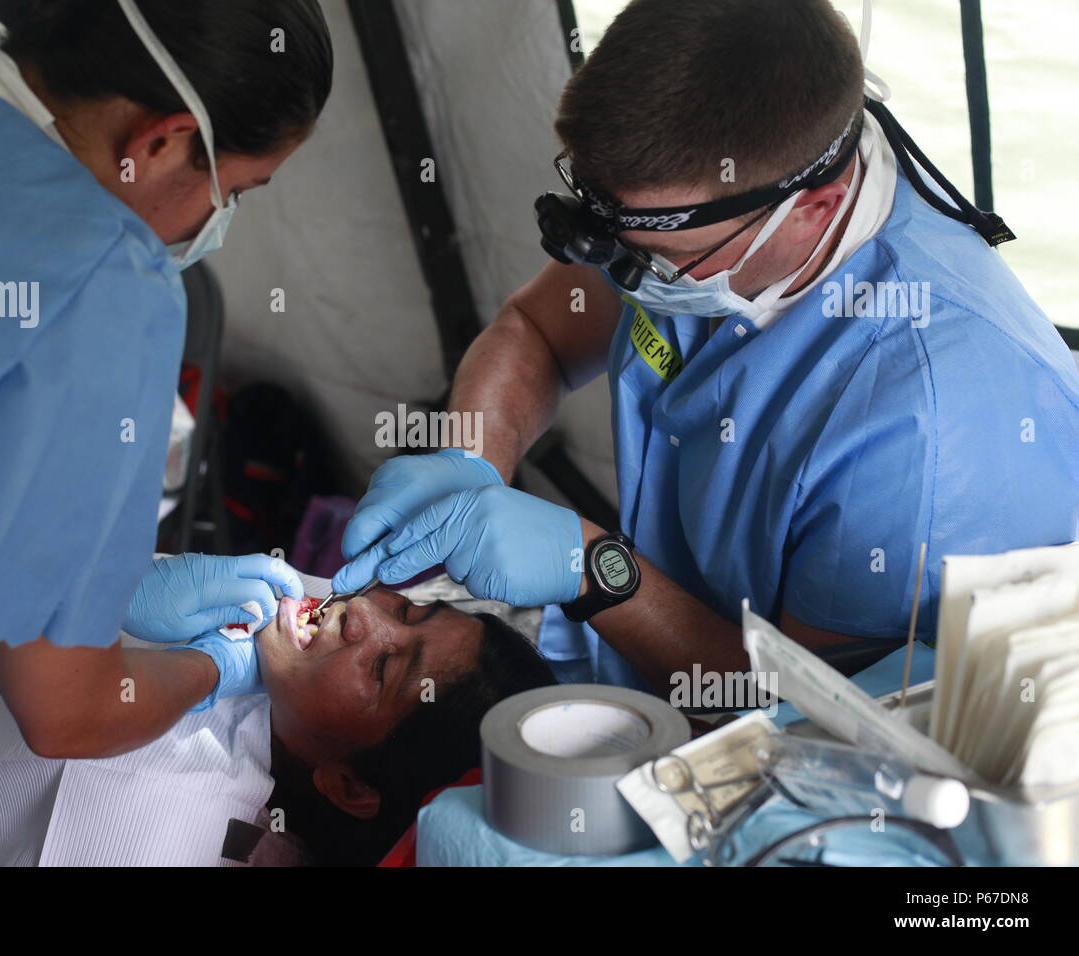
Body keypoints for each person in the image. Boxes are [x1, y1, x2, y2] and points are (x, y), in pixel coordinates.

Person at [333, 0, 1079, 694]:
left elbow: (795, 713)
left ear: (810, 208)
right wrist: (473, 463)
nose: (625, 276)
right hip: (638, 679)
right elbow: (536, 332)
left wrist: (596, 571)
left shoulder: (929, 433)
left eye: (658, 260)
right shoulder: (706, 206)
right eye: (615, 242)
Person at [0, 1, 333, 864]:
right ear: (159, 140)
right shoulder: (100, 284)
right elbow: (68, 713)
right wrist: (208, 670)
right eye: (237, 191)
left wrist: (106, 591)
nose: (214, 226)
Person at [0, 586, 556, 866]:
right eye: (408, 608)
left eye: (383, 671)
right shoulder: (288, 648)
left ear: (349, 787)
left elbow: (64, 708)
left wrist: (108, 591)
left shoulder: (165, 833)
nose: (364, 614)